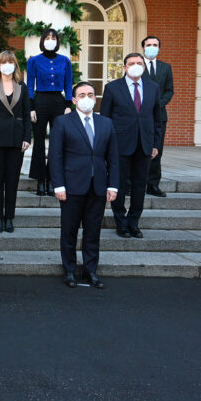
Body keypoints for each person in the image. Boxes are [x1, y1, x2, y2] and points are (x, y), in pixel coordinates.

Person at [49, 82, 120, 289]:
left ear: (95, 98)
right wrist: (58, 185)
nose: (86, 98)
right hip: (71, 187)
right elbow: (55, 156)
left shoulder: (106, 123)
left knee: (93, 232)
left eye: (90, 94)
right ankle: (69, 270)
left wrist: (113, 186)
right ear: (74, 99)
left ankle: (90, 270)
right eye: (81, 95)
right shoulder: (62, 122)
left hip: (98, 187)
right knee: (69, 231)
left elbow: (113, 157)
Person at [100, 53, 160, 238]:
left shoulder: (153, 87)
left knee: (140, 185)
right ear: (124, 67)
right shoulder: (112, 88)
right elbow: (105, 119)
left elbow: (157, 119)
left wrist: (156, 144)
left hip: (144, 145)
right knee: (117, 183)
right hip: (119, 145)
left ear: (144, 66)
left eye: (139, 63)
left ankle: (134, 222)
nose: (135, 66)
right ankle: (121, 222)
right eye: (131, 63)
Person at [0, 51, 31, 233]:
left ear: (15, 65)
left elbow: (27, 114)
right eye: (4, 62)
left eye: (11, 62)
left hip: (16, 139)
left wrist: (27, 137)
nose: (7, 65)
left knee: (12, 180)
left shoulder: (22, 86)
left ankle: (9, 217)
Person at [26, 28, 73, 197]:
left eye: (53, 37)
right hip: (40, 101)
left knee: (57, 141)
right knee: (38, 141)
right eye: (47, 37)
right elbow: (30, 84)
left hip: (58, 102)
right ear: (43, 40)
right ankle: (40, 180)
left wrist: (68, 104)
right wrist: (31, 107)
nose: (51, 40)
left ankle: (54, 179)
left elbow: (69, 84)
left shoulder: (64, 61)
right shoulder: (34, 61)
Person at [141, 36, 174, 197]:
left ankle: (153, 184)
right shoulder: (136, 66)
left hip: (159, 115)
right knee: (136, 148)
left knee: (156, 150)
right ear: (143, 48)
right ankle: (129, 183)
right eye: (149, 45)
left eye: (155, 45)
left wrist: (158, 103)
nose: (152, 47)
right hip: (139, 115)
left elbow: (169, 90)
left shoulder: (165, 67)